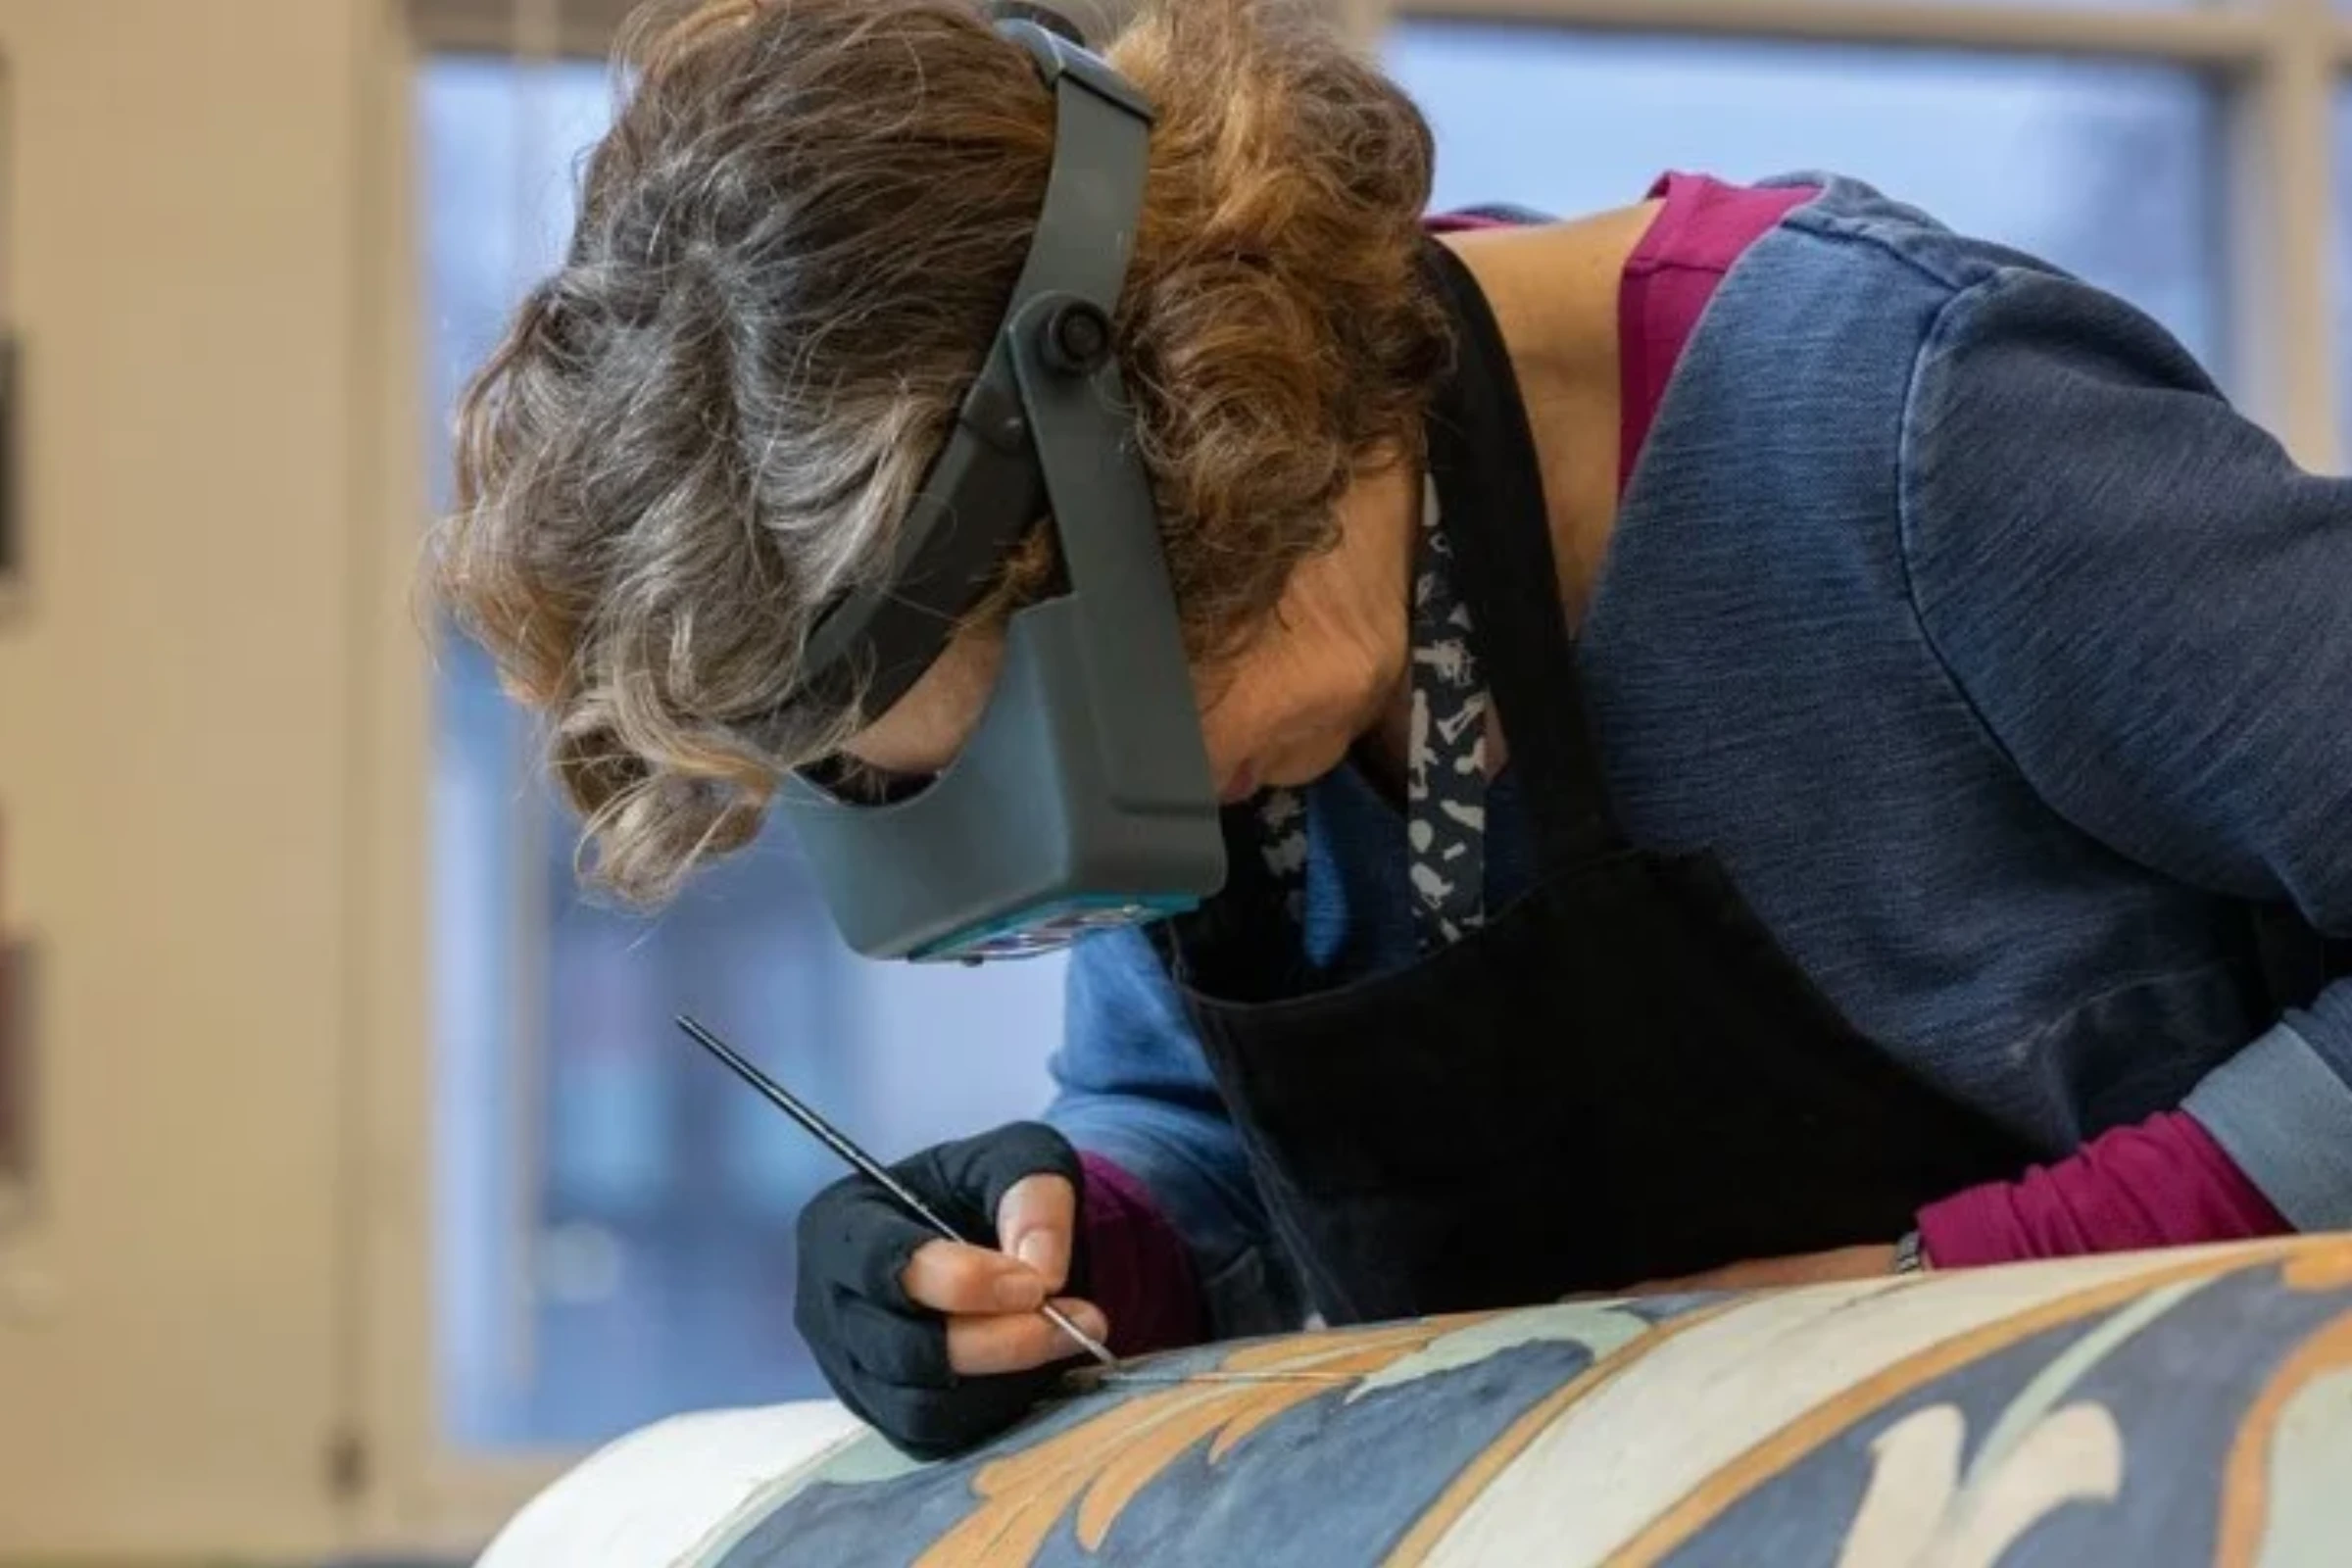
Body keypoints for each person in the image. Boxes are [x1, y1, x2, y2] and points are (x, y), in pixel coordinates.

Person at [435, 0, 2352, 1459]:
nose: (1116, 831)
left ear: (1208, 442)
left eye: (1093, 728)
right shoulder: (1202, 649)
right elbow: (1203, 1146)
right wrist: (1066, 1248)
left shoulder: (1904, 429)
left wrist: (1966, 1288)